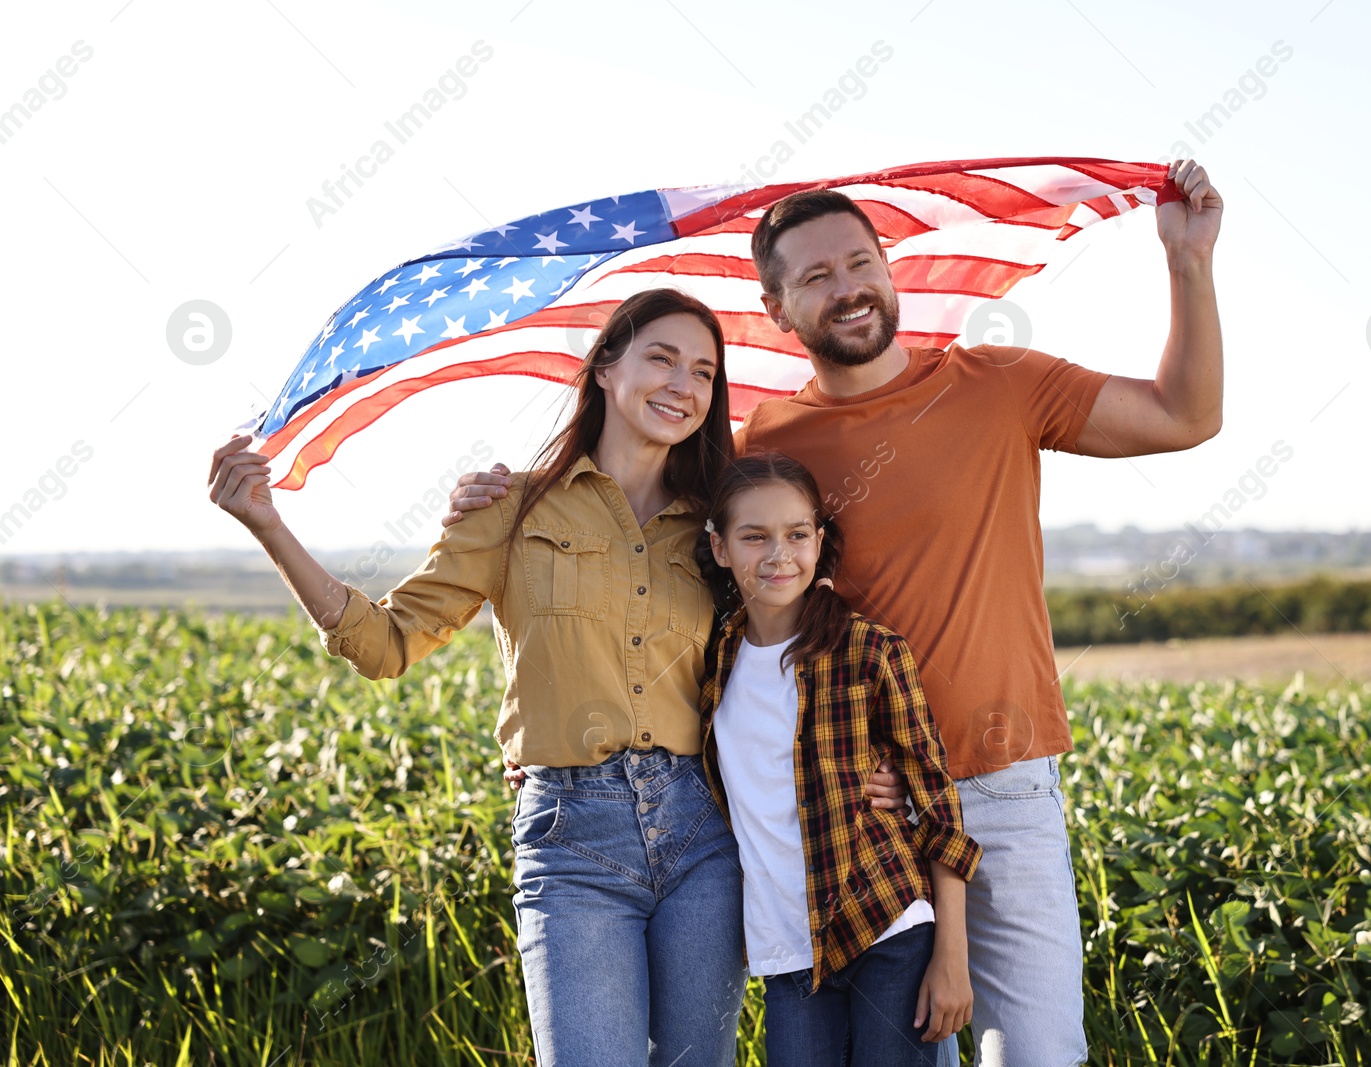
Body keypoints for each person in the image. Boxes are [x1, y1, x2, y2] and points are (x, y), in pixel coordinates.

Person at [447, 159, 1225, 1065]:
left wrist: (1188, 262)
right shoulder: (764, 448)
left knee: (1041, 1052)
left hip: (1003, 782)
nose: (847, 288)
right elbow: (633, 530)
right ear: (777, 312)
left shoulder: (1003, 383)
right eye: (815, 276)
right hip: (852, 799)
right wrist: (514, 494)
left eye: (859, 262)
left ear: (890, 269)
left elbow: (1185, 415)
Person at [211, 288, 752, 1067]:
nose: (683, 385)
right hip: (573, 837)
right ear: (604, 367)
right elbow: (387, 643)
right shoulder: (510, 509)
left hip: (702, 833)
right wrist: (269, 525)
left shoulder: (718, 528)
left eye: (703, 371)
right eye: (661, 358)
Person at [696, 452, 981, 1066]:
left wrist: (950, 957)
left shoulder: (869, 651)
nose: (779, 555)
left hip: (886, 929)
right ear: (720, 548)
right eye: (755, 537)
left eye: (797, 535)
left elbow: (938, 810)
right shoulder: (714, 658)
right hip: (789, 952)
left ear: (818, 541)